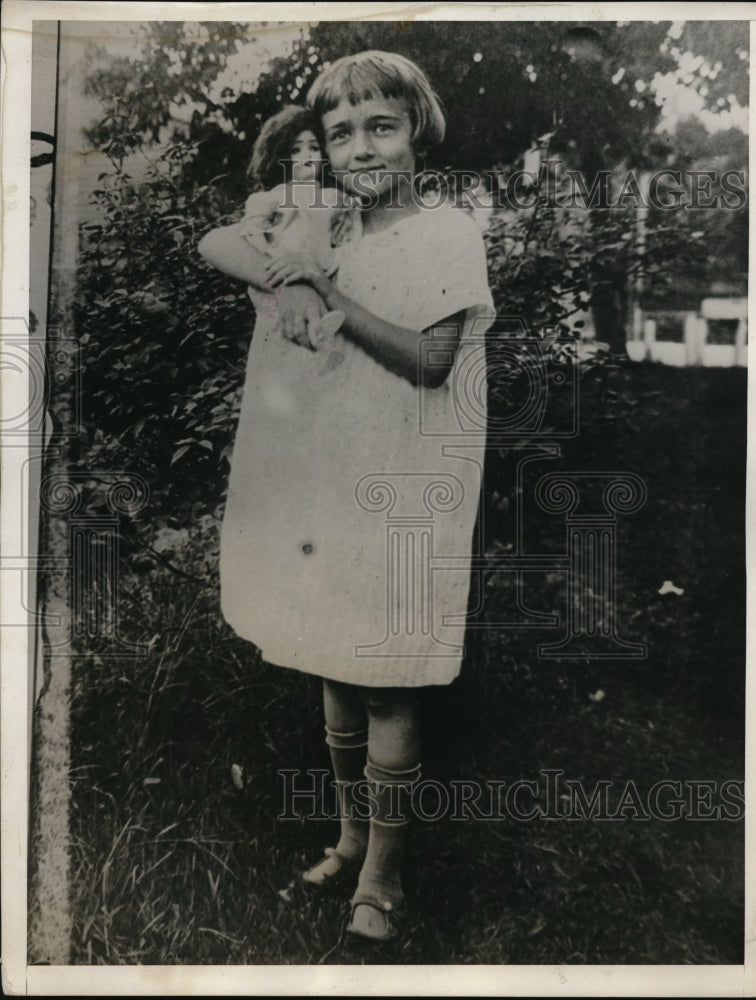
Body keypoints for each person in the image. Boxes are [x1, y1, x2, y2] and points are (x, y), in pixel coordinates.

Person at [198, 50, 495, 944]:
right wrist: (282, 274)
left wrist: (314, 284)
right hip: (334, 473)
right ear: (322, 148)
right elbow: (214, 241)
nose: (361, 148)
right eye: (340, 134)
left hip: (407, 483)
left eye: (380, 126)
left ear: (415, 131)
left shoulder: (447, 233)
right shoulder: (327, 227)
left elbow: (430, 360)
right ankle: (347, 833)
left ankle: (383, 876)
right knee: (336, 665)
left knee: (390, 680)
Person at [238, 105, 356, 349]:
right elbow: (252, 229)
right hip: (286, 262)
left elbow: (350, 217)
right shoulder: (274, 197)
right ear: (280, 154)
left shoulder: (334, 195)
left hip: (324, 261)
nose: (307, 156)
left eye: (314, 148)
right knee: (288, 316)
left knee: (327, 297)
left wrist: (347, 218)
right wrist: (269, 253)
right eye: (296, 150)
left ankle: (321, 332)